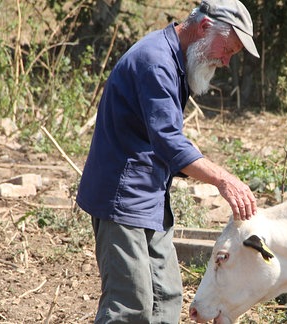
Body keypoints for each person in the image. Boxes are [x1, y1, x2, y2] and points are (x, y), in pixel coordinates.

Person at [75, 0, 259, 322]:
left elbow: (163, 140)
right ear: (204, 28)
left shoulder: (175, 59)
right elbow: (169, 141)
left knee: (166, 298)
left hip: (150, 197)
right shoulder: (155, 61)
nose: (226, 62)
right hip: (123, 198)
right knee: (129, 306)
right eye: (227, 49)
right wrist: (222, 179)